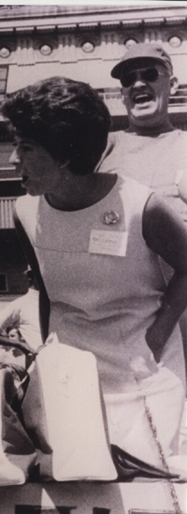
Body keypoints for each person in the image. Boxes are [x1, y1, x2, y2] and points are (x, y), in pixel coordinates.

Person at [4, 76, 187, 472]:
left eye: (26, 148)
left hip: (145, 378)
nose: (12, 160)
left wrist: (156, 336)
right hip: (70, 380)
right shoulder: (24, 211)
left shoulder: (144, 206)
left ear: (65, 154)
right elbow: (46, 293)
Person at [97, 43, 187, 371]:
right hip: (117, 312)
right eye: (128, 79)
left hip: (181, 309)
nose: (137, 84)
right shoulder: (102, 148)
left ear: (172, 85)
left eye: (149, 74)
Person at [0, 267, 43, 352]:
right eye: (42, 275)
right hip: (38, 361)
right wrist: (19, 344)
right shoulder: (19, 305)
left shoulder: (55, 305)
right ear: (30, 276)